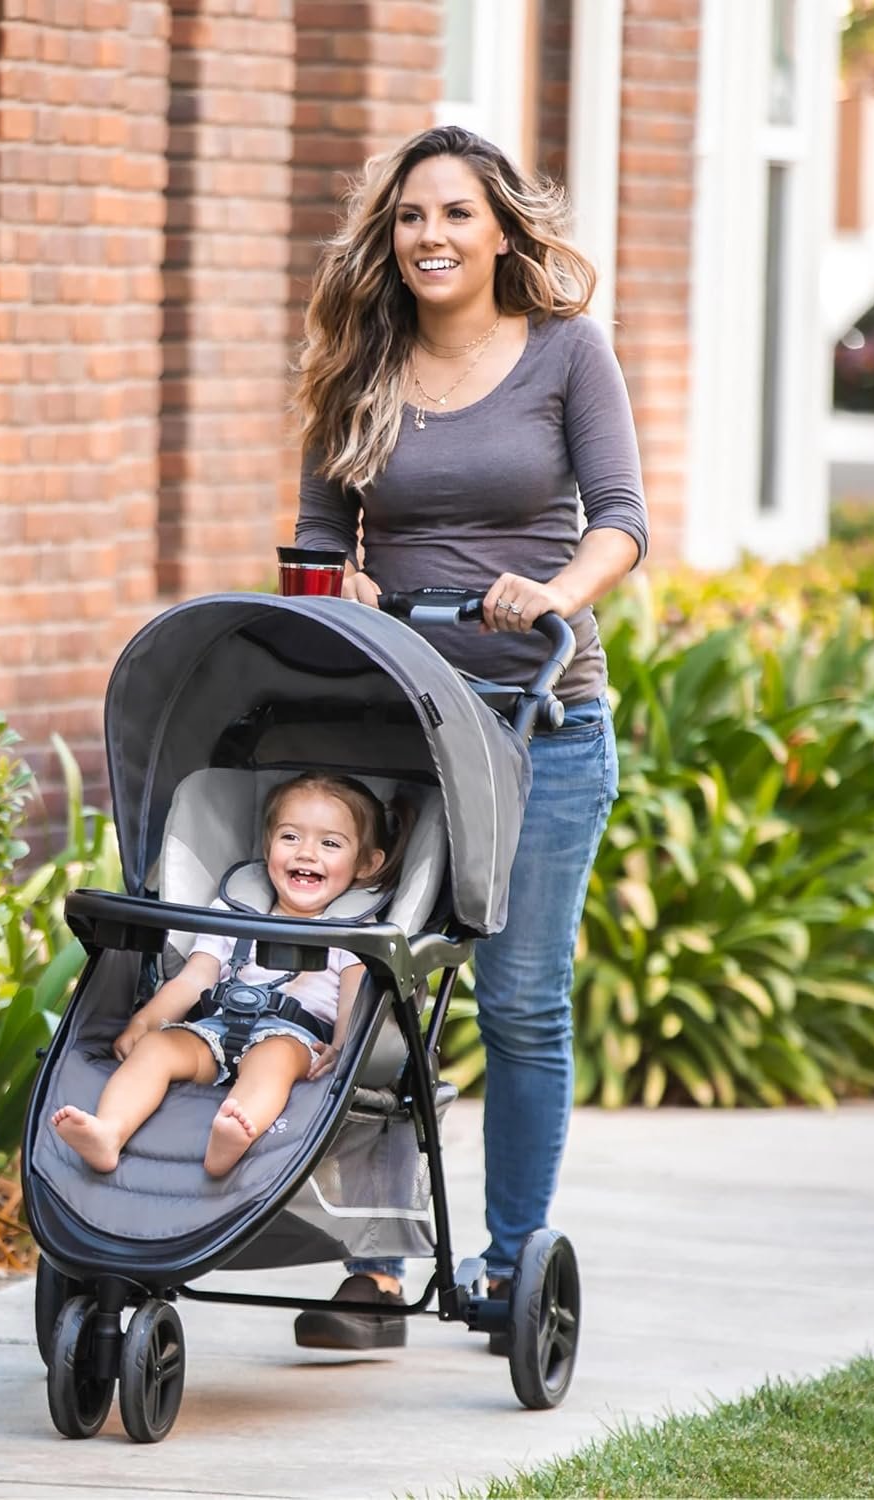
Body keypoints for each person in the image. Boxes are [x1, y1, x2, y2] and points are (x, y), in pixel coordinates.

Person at [287, 125, 647, 1352]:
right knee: (374, 991)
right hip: (399, 725)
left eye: (454, 214)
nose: (429, 236)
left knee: (521, 1004)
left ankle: (508, 1264)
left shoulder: (566, 352)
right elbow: (316, 541)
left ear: (501, 232)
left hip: (543, 723)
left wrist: (555, 593)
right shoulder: (357, 361)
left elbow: (622, 519)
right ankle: (375, 1269)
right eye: (409, 217)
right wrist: (343, 588)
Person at [52, 773, 407, 1178]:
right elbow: (193, 979)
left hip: (295, 1038)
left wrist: (342, 1047)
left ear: (367, 863)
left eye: (330, 844)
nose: (306, 853)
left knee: (272, 1059)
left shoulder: (353, 929)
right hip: (215, 1027)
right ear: (267, 846)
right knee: (156, 1048)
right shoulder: (235, 910)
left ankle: (234, 1132)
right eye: (290, 837)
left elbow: (355, 1000)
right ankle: (109, 1131)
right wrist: (146, 1021)